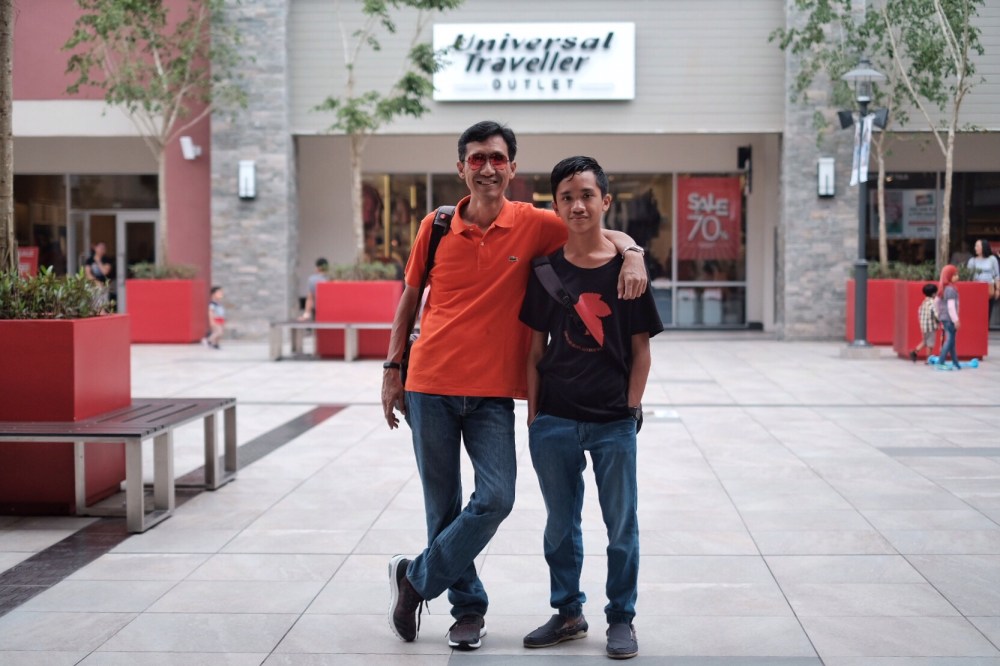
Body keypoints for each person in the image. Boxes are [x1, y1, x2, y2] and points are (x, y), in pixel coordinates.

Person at [381, 121, 647, 651]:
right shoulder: (436, 226)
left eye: (497, 158)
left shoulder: (534, 223)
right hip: (429, 383)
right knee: (442, 506)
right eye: (477, 159)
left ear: (512, 168)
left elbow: (593, 227)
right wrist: (392, 370)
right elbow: (410, 296)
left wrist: (634, 251)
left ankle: (415, 577)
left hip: (492, 392)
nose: (487, 168)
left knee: (496, 498)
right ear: (461, 168)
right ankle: (467, 610)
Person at [519, 156, 662, 660]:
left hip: (612, 423)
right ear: (555, 206)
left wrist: (630, 408)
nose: (577, 205)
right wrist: (535, 417)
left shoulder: (629, 272)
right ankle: (567, 613)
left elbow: (642, 351)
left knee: (621, 526)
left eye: (586, 195)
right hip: (554, 420)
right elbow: (534, 352)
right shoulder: (545, 272)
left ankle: (621, 618)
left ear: (605, 202)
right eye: (567, 197)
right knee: (560, 527)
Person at [966, 239, 999, 326]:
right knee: (977, 311)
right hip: (976, 290)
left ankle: (985, 328)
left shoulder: (992, 259)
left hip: (989, 289)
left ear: (983, 247)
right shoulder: (972, 261)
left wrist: (998, 289)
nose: (975, 248)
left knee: (987, 311)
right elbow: (968, 277)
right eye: (975, 246)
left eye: (977, 246)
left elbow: (997, 276)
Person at [935, 265, 960, 370]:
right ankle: (941, 361)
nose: (957, 277)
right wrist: (956, 320)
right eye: (954, 275)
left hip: (944, 318)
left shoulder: (943, 288)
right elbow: (951, 307)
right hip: (950, 319)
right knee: (950, 340)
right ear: (949, 276)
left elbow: (936, 302)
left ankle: (955, 362)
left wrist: (939, 314)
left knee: (952, 342)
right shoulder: (951, 289)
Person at [909, 282, 939, 363]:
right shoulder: (932, 303)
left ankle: (915, 352)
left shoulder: (924, 302)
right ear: (933, 294)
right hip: (930, 326)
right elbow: (935, 313)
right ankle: (928, 359)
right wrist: (940, 319)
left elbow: (920, 311)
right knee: (930, 344)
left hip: (924, 326)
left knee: (925, 341)